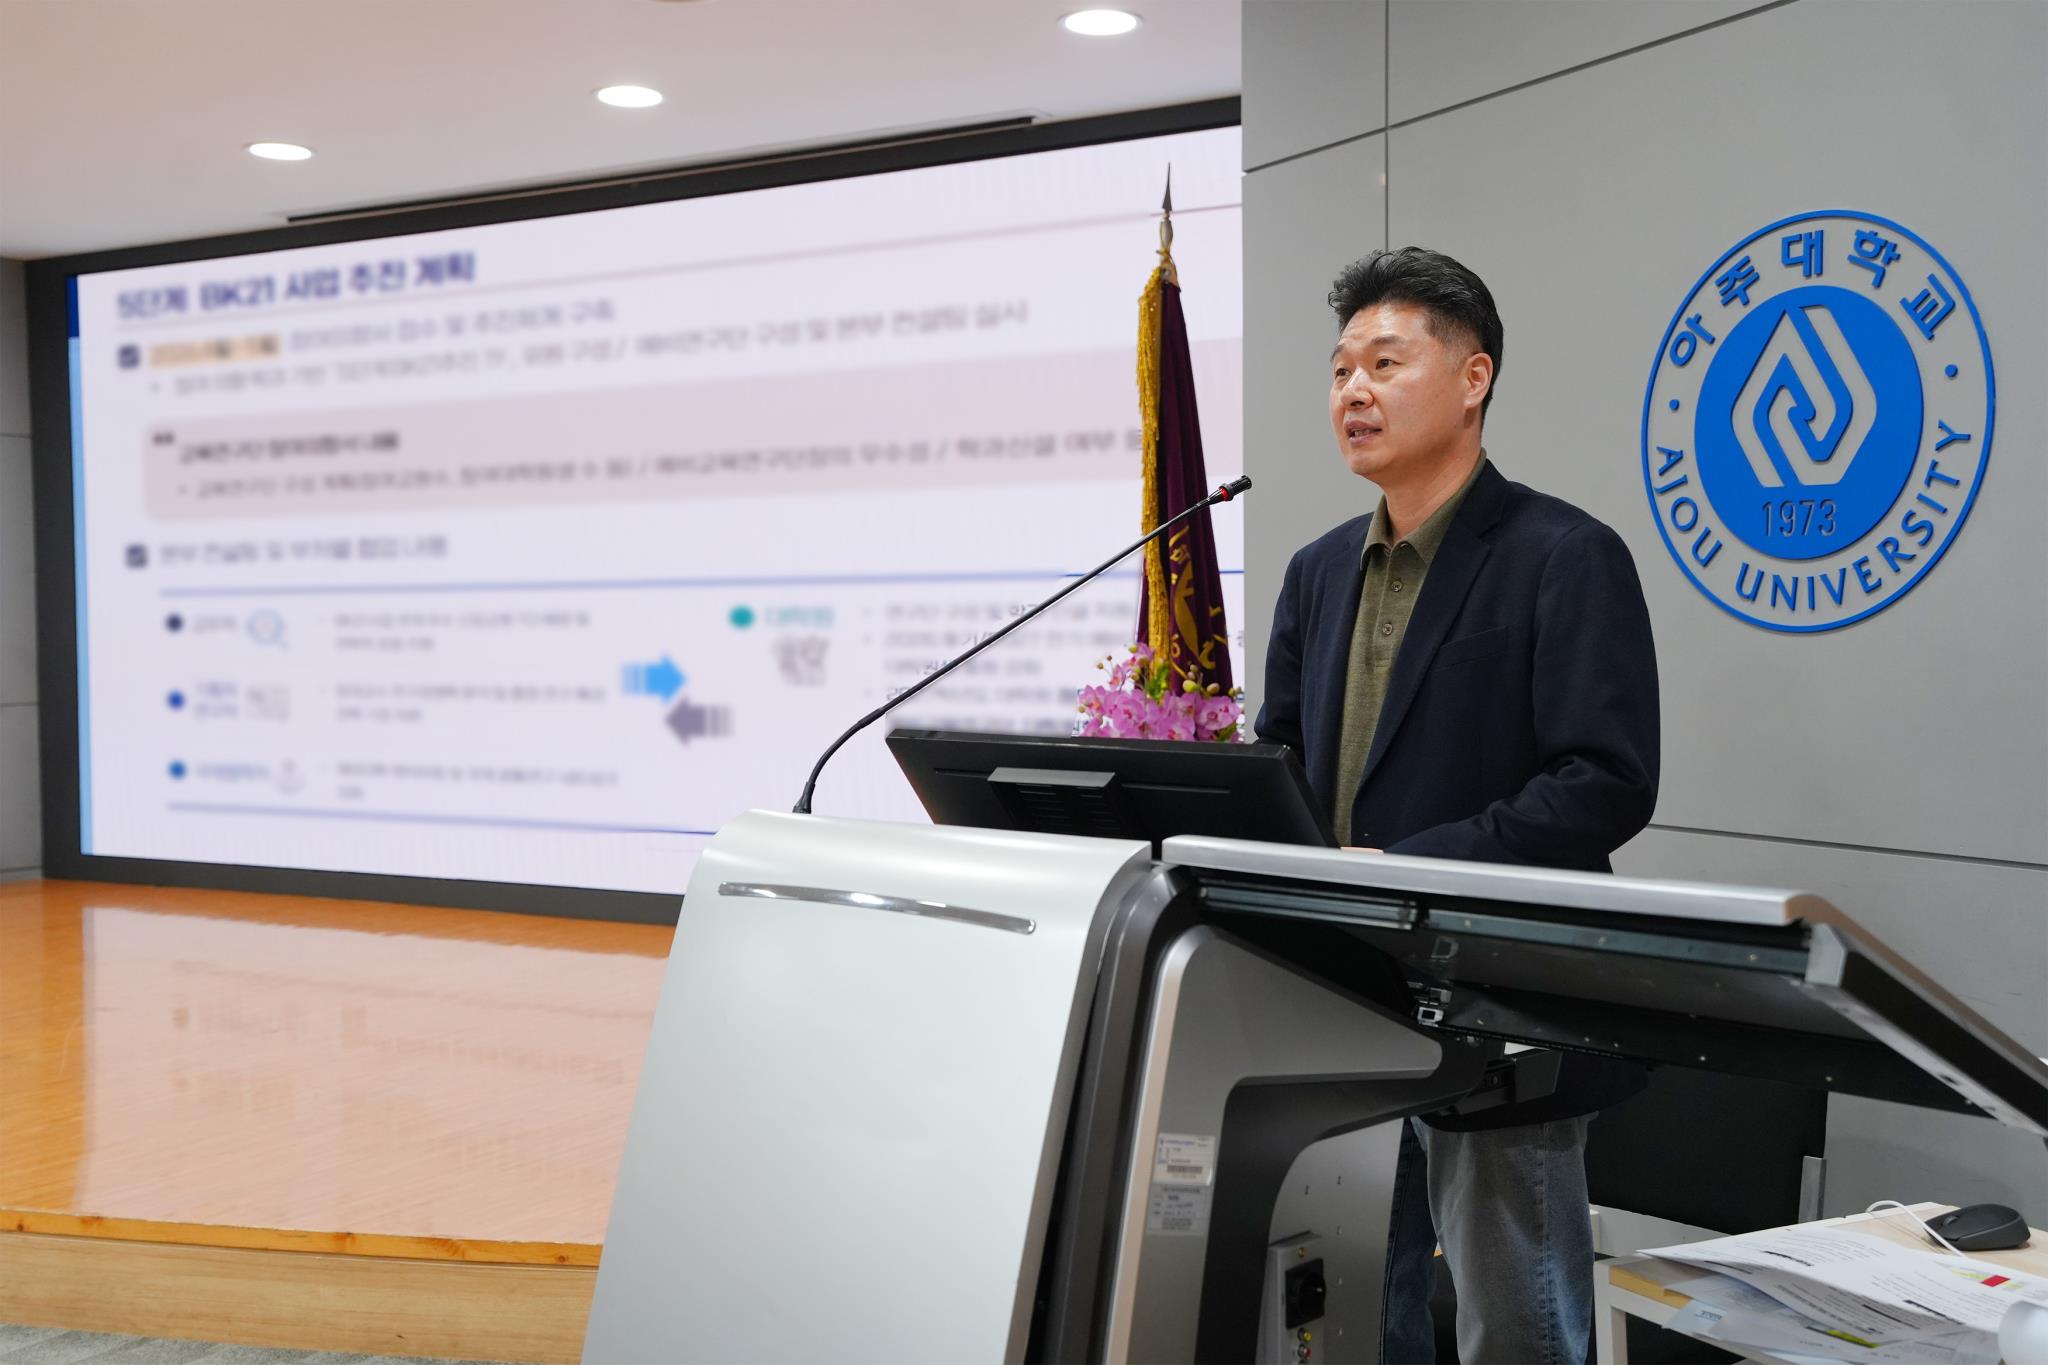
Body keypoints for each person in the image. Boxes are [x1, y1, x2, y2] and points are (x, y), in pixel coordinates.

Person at [1254, 247, 1661, 1364]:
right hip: (1342, 999)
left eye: (1385, 363)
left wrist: (1409, 867)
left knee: (1516, 1332)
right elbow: (1282, 762)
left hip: (1500, 1009)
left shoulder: (1563, 555)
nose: (1353, 390)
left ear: (1473, 377)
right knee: (1346, 1318)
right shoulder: (1316, 572)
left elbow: (1604, 780)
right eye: (1340, 369)